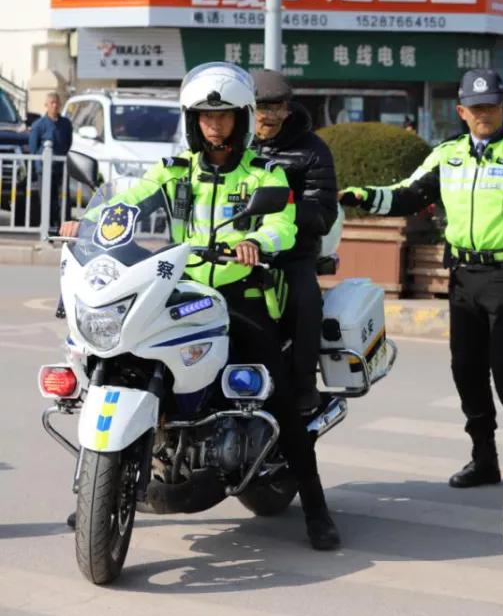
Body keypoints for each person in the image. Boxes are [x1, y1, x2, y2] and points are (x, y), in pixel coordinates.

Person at [60, 63, 340, 550]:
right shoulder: (174, 171)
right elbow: (127, 201)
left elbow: (285, 224)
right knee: (119, 361)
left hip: (240, 298)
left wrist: (256, 239)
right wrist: (86, 220)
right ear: (193, 121)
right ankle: (93, 492)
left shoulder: (264, 175)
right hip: (183, 293)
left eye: (225, 116)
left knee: (278, 398)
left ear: (241, 119)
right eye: (206, 117)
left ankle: (316, 509)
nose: (215, 125)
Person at [340, 69, 503, 488]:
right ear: (462, 111)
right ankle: (483, 458)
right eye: (476, 108)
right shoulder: (448, 154)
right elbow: (408, 193)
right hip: (464, 276)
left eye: (492, 107)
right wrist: (364, 197)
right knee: (465, 370)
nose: (484, 115)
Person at [250, 70, 339, 416]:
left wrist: (278, 211)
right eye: (261, 107)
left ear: (288, 109)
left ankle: (304, 388)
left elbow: (323, 213)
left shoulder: (313, 150)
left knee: (305, 300)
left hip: (290, 254)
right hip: (230, 253)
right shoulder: (229, 144)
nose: (268, 115)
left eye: (277, 107)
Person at [28, 91, 73, 230]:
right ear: (46, 105)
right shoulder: (39, 125)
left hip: (61, 169)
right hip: (45, 170)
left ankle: (64, 230)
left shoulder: (65, 123)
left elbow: (68, 143)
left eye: (57, 103)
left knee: (63, 201)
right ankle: (49, 230)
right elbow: (33, 147)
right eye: (51, 103)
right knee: (47, 201)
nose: (54, 106)